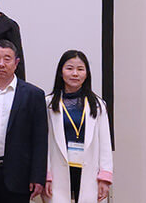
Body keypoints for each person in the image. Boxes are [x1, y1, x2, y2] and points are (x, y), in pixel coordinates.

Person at [0, 40, 47, 203]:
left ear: (16, 62)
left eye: (7, 59)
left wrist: (38, 177)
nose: (1, 64)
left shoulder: (33, 95)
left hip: (18, 175)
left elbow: (40, 140)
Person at [43, 51, 112, 203]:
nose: (75, 73)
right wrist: (45, 175)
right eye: (69, 68)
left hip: (88, 171)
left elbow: (105, 143)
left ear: (86, 74)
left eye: (80, 69)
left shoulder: (98, 105)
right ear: (61, 72)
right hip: (58, 171)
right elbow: (43, 144)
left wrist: (105, 177)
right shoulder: (47, 104)